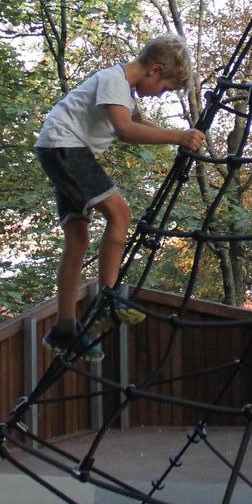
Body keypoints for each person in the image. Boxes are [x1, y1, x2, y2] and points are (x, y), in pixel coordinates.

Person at [36, 36, 204, 361]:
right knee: (120, 215)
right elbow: (126, 130)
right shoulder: (114, 81)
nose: (161, 94)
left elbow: (137, 123)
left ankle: (65, 326)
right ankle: (108, 297)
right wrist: (177, 136)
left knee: (77, 240)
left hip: (59, 148)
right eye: (165, 88)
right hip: (66, 147)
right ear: (155, 70)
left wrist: (179, 139)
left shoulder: (123, 89)